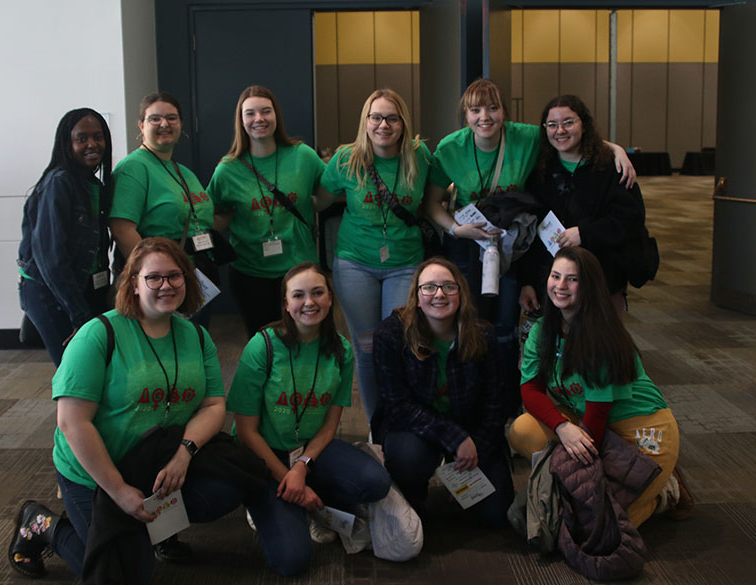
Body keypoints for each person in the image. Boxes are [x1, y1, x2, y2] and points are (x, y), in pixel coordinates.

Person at [7, 237, 308, 585]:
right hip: (97, 472)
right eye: (154, 278)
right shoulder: (98, 334)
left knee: (226, 487)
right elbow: (72, 423)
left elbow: (213, 406)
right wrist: (118, 490)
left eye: (175, 276)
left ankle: (154, 530)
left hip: (160, 462)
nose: (166, 285)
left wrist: (185, 452)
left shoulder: (195, 336)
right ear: (133, 283)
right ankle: (42, 525)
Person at [423, 79, 637, 416]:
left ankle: (507, 409)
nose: (485, 117)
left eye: (493, 108)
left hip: (512, 247)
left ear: (504, 112)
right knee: (467, 324)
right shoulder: (450, 148)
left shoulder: (523, 136)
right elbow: (432, 203)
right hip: (469, 245)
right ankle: (467, 403)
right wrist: (456, 229)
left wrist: (616, 150)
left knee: (506, 330)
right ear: (464, 114)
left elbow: (567, 134)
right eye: (476, 110)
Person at [317, 88, 490, 426]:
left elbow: (435, 196)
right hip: (355, 263)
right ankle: (376, 426)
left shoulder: (420, 155)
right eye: (377, 117)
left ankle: (404, 420)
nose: (384, 125)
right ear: (365, 122)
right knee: (366, 348)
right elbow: (319, 200)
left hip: (405, 264)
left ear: (403, 123)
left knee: (404, 343)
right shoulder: (345, 159)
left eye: (392, 118)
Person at [507, 247, 691, 527]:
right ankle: (615, 482)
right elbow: (530, 391)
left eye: (572, 279)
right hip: (584, 422)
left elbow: (597, 415)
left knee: (603, 526)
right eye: (556, 276)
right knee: (521, 430)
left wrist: (579, 480)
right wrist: (562, 427)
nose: (561, 286)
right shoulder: (542, 330)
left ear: (589, 286)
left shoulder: (601, 336)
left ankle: (666, 491)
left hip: (640, 428)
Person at [228, 262, 391, 545]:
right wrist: (289, 479)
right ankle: (274, 496)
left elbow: (330, 425)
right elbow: (245, 432)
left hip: (310, 451)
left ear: (330, 298)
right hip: (264, 452)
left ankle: (309, 492)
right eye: (298, 295)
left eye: (317, 293)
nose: (309, 302)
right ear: (286, 304)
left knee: (376, 482)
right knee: (291, 559)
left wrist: (302, 466)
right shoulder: (262, 345)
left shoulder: (341, 349)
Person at [372, 257, 513, 525]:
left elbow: (495, 404)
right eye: (429, 287)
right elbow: (397, 406)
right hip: (413, 429)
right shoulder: (391, 335)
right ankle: (411, 489)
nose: (439, 294)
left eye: (449, 286)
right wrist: (454, 438)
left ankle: (455, 476)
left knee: (496, 515)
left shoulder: (482, 336)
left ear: (461, 293)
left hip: (469, 428)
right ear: (416, 296)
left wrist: (475, 451)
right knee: (409, 459)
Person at [209, 85, 326, 337]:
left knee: (305, 342)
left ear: (277, 116)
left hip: (299, 270)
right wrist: (228, 217)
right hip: (250, 273)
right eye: (250, 113)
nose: (259, 119)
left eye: (266, 111)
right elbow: (212, 219)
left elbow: (329, 193)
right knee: (264, 347)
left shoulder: (303, 156)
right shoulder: (227, 170)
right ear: (241, 121)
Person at [522, 95, 646, 316]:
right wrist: (527, 281)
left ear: (584, 124)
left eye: (568, 122)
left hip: (602, 277)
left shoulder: (611, 166)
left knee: (600, 343)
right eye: (552, 124)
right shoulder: (538, 171)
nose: (560, 130)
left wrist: (585, 233)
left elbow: (631, 219)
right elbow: (532, 232)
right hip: (553, 282)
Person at [109, 92, 215, 327]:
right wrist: (153, 277)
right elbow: (122, 228)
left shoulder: (182, 171)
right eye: (155, 119)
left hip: (194, 276)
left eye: (171, 118)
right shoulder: (134, 168)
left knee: (192, 346)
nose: (164, 124)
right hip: (161, 285)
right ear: (141, 125)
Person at [17, 108, 113, 366]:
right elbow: (51, 259)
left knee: (96, 365)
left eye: (98, 137)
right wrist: (79, 314)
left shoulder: (94, 184)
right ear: (66, 143)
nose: (92, 144)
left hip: (85, 289)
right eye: (82, 138)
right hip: (52, 293)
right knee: (77, 369)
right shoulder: (59, 182)